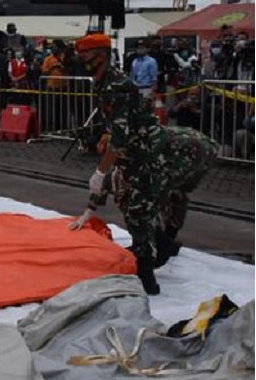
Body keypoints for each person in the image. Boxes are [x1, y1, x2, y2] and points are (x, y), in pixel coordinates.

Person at [70, 33, 218, 295]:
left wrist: (99, 170)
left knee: (139, 210)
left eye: (85, 54)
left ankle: (147, 275)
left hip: (150, 153)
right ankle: (166, 244)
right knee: (156, 198)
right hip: (147, 150)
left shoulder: (114, 86)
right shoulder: (104, 81)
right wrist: (90, 208)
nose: (81, 59)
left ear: (101, 55)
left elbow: (119, 137)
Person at [72, 127, 216, 268]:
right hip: (193, 146)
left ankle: (163, 244)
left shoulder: (132, 150)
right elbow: (105, 183)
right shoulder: (121, 150)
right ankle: (166, 241)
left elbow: (154, 188)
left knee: (165, 193)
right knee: (173, 193)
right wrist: (88, 211)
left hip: (192, 151)